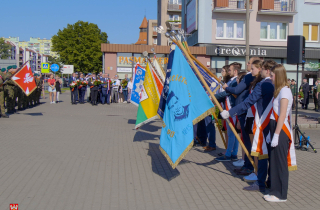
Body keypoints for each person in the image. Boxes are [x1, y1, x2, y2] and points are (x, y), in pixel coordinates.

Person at [264, 64, 297, 202]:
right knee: (275, 162)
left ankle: (281, 195)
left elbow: (282, 115)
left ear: (278, 75)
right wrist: (270, 133)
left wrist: (276, 134)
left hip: (281, 130)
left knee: (280, 163)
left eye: (272, 75)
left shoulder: (285, 91)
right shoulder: (279, 91)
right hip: (275, 128)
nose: (270, 78)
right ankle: (274, 191)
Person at [222, 57, 260, 174]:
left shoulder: (249, 77)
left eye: (249, 63)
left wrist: (227, 88)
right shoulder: (251, 77)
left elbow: (238, 90)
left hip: (247, 112)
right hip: (245, 112)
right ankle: (247, 164)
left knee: (249, 142)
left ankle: (250, 167)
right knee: (246, 141)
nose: (247, 64)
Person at [214, 62, 240, 161]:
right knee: (232, 133)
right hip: (228, 108)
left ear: (235, 71)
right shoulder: (231, 81)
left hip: (231, 108)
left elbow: (226, 93)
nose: (228, 72)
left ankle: (229, 154)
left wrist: (214, 97)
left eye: (230, 70)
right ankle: (232, 153)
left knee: (231, 133)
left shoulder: (234, 81)